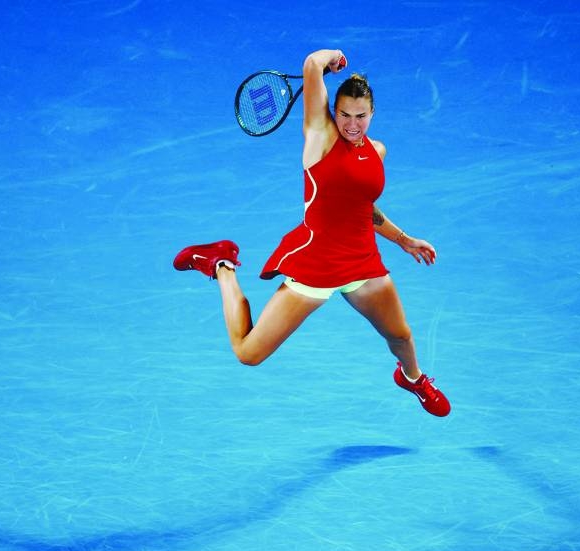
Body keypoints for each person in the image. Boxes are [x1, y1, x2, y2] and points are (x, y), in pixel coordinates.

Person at [173, 49, 450, 416]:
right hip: (316, 264)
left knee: (400, 335)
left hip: (362, 263)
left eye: (360, 116)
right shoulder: (320, 138)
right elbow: (310, 65)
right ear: (333, 112)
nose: (352, 124)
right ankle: (220, 263)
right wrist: (330, 58)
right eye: (344, 115)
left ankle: (413, 379)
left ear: (373, 114)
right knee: (248, 353)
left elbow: (362, 207)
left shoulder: (375, 151)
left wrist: (403, 239)